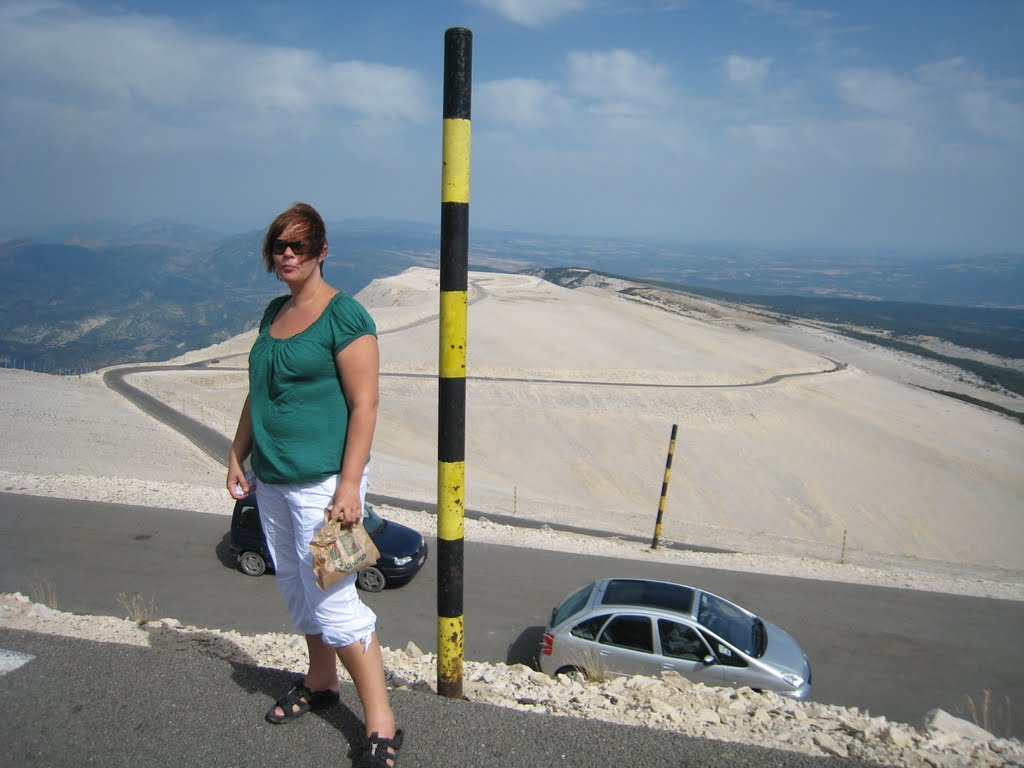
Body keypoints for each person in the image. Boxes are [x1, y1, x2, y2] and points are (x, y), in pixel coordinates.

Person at [227, 202, 402, 768]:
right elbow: (259, 391)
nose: (287, 254)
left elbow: (365, 403)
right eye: (280, 245)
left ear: (322, 251)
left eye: (299, 245)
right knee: (298, 591)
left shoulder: (345, 317)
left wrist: (350, 485)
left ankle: (381, 723)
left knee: (334, 599)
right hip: (274, 480)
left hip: (324, 486)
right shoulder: (273, 313)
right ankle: (321, 681)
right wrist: (238, 453)